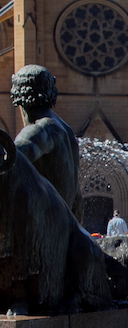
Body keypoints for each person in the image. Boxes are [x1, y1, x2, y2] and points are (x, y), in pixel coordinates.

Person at [11, 65, 82, 222]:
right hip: (66, 227)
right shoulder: (66, 131)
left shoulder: (41, 129)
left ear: (18, 98)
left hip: (44, 227)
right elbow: (77, 198)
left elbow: (12, 158)